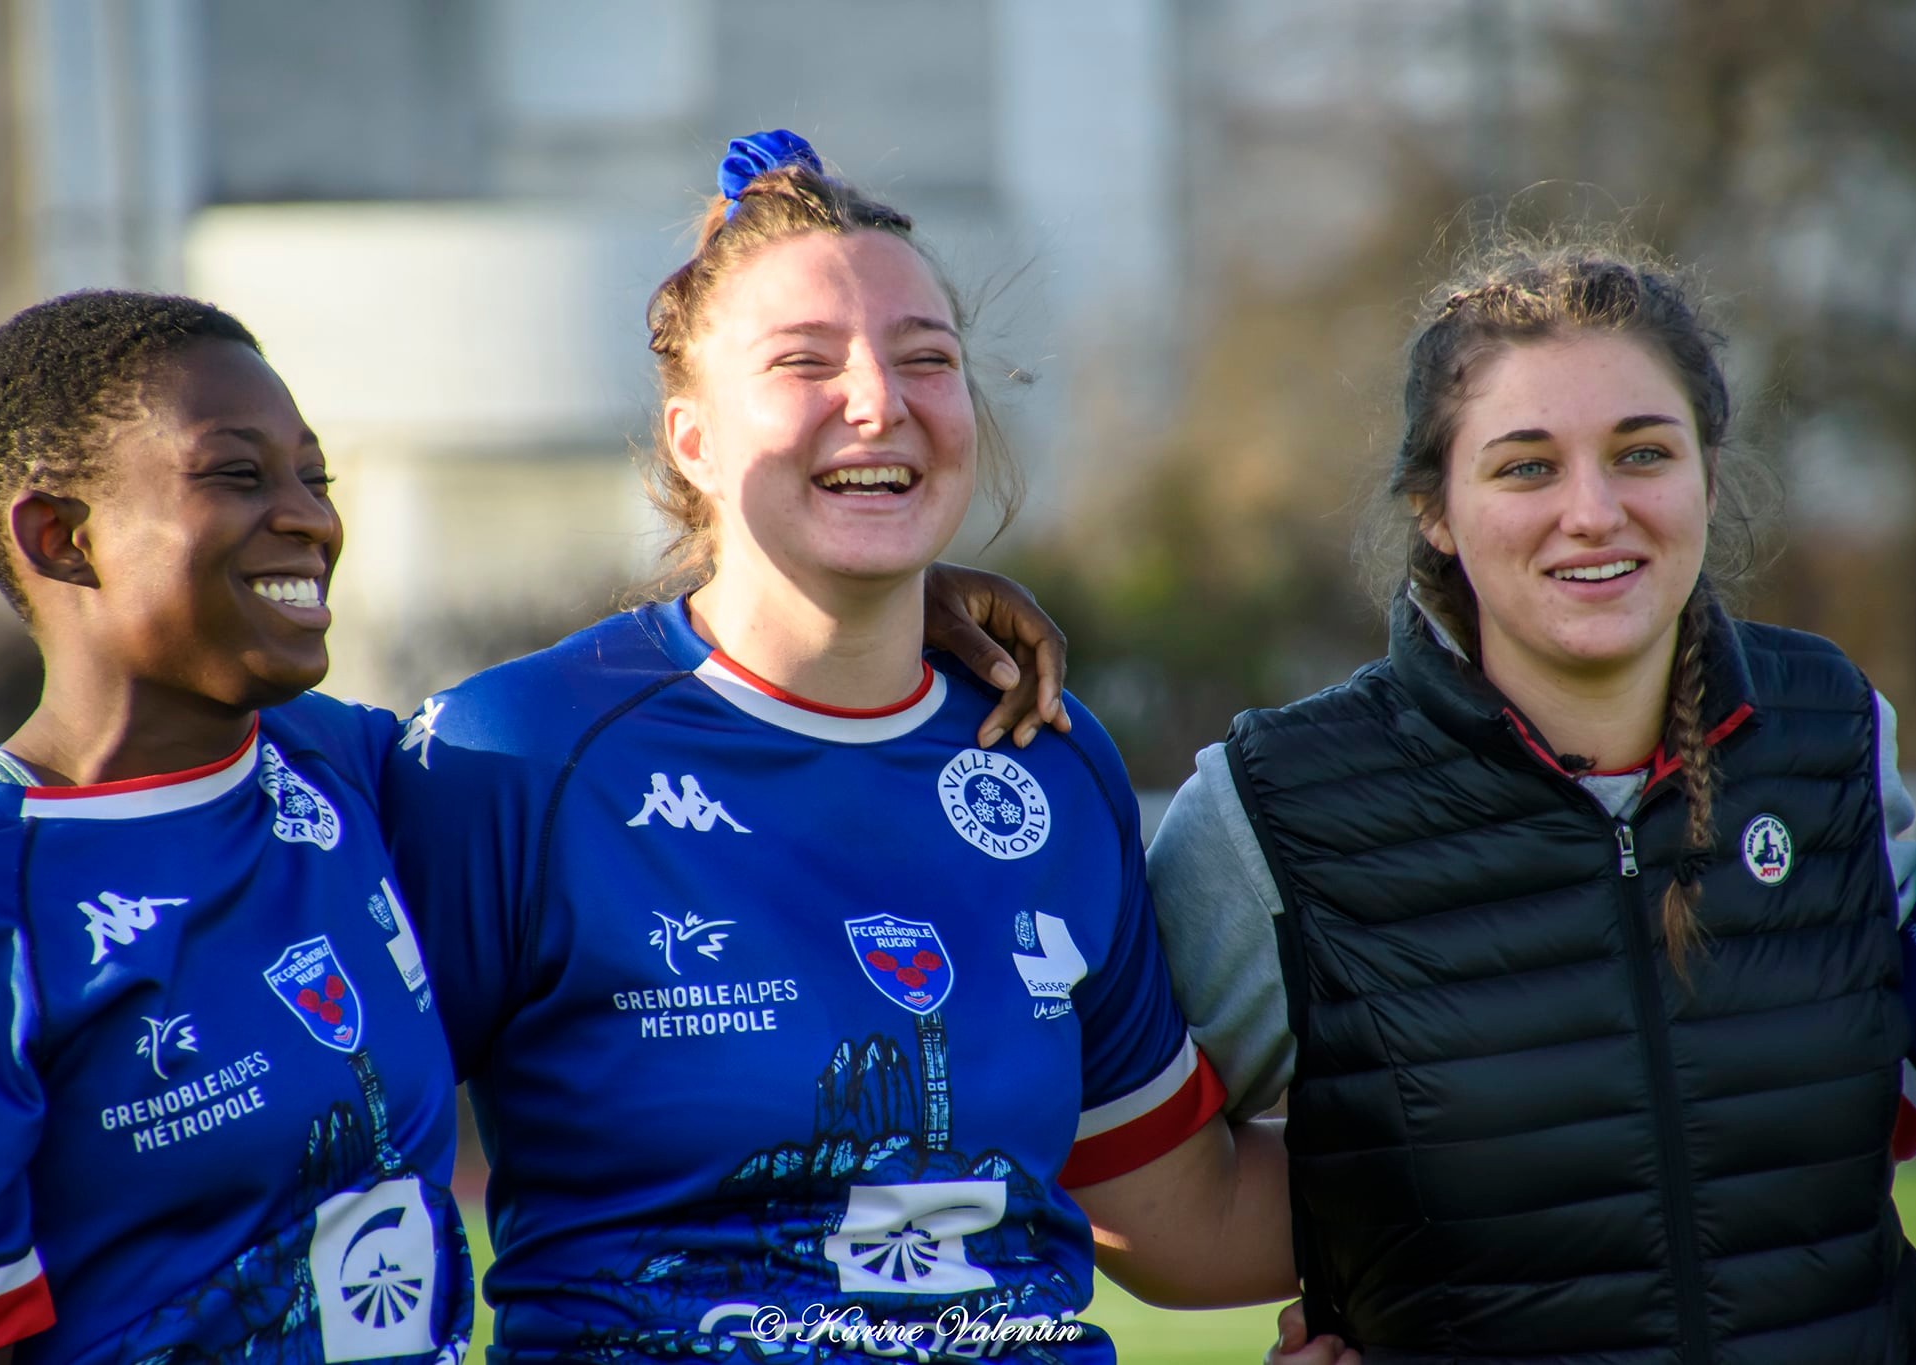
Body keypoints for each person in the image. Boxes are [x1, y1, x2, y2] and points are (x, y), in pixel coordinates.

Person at [380, 131, 1302, 1362]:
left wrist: (1598, 1131)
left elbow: (1183, 1219)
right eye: (802, 363)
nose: (878, 400)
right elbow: (308, 1159)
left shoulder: (1040, 750)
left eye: (926, 359)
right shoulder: (518, 761)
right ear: (691, 440)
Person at [1149, 240, 1916, 1363]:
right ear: (1432, 508)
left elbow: (1867, 1102)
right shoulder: (1278, 805)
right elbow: (1141, 1190)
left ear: (1706, 476)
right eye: (1524, 467)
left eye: (1641, 453)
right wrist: (1368, 1246)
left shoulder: (1831, 732)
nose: (1592, 511)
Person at [0, 292, 475, 1363]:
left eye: (314, 475)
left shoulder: (341, 768)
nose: (309, 517)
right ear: (62, 538)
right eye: (238, 475)